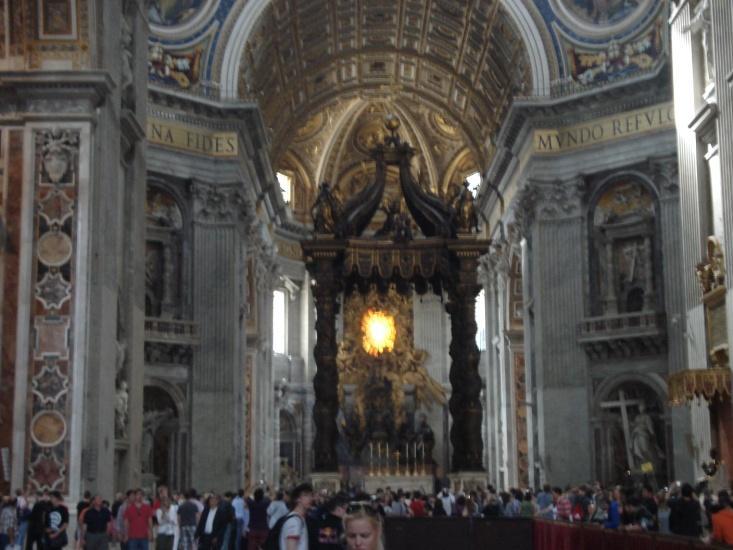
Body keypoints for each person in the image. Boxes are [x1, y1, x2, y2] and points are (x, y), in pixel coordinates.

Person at [279, 483, 313, 550]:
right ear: (297, 499)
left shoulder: (300, 519)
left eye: (311, 495)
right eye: (306, 495)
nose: (310, 498)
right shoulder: (294, 521)